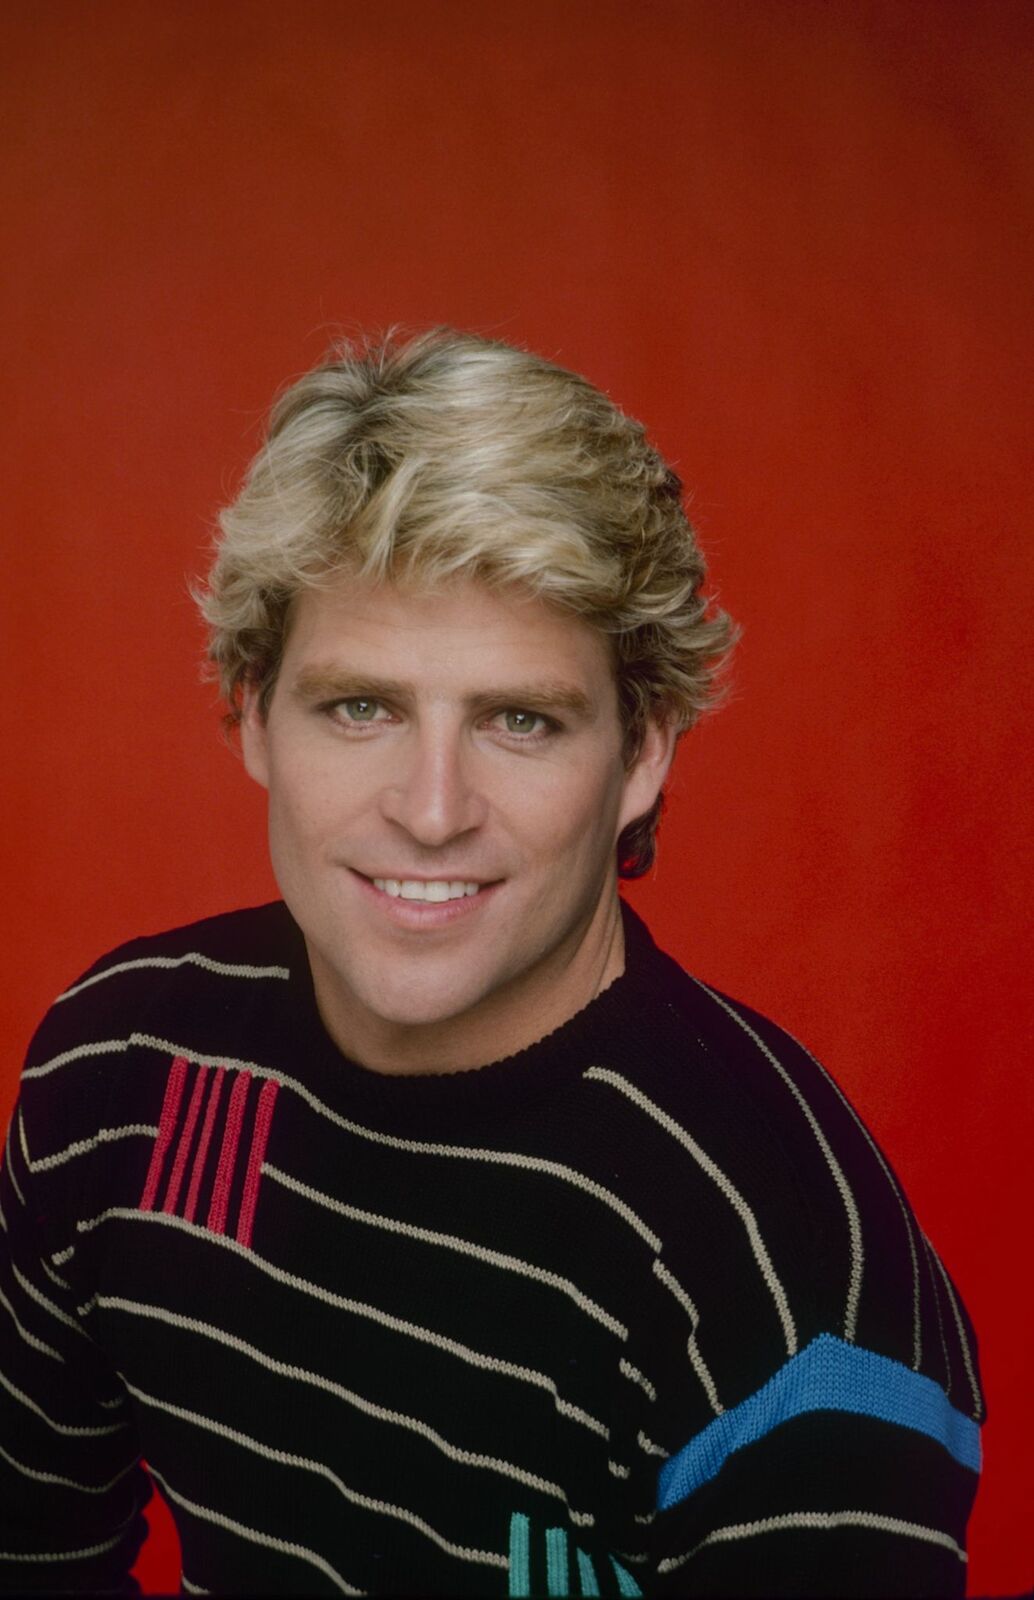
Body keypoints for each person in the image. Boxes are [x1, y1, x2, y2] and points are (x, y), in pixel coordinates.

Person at [0, 329, 982, 1598]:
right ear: (249, 714)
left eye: (520, 719)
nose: (429, 806)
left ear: (639, 756)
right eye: (361, 705)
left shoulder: (792, 1290)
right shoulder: (123, 1073)